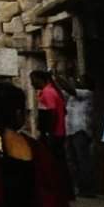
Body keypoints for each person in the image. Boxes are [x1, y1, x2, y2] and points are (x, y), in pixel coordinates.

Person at [32, 70, 73, 198]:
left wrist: (48, 133)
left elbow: (52, 113)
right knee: (59, 163)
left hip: (53, 133)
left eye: (33, 80)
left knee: (54, 164)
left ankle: (60, 191)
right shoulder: (51, 92)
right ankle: (65, 191)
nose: (32, 83)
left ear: (40, 79)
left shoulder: (48, 92)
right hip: (57, 132)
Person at [61, 75, 96, 196]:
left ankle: (88, 189)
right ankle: (79, 187)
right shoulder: (72, 97)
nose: (77, 81)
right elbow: (62, 90)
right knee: (72, 161)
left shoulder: (87, 93)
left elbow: (69, 88)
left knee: (83, 161)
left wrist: (55, 75)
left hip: (81, 131)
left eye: (80, 80)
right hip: (70, 131)